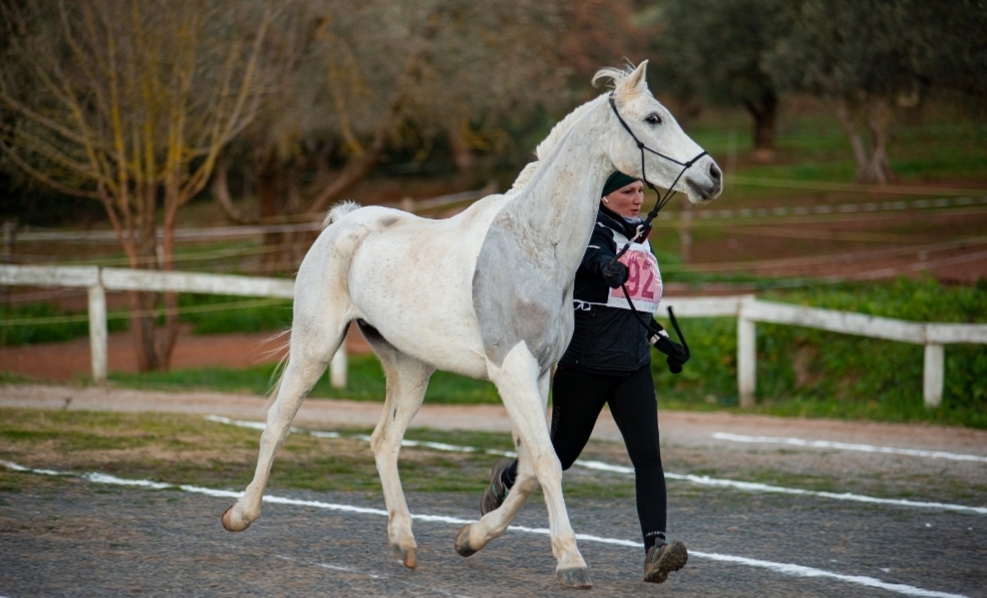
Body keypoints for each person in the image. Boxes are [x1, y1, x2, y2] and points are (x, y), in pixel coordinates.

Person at [480, 171, 690, 584]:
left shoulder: (640, 238)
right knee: (559, 458)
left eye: (640, 191)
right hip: (585, 368)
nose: (637, 198)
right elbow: (593, 259)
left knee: (648, 458)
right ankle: (507, 478)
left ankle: (655, 549)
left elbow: (635, 305)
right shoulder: (587, 231)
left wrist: (663, 341)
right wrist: (604, 267)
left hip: (632, 368)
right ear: (606, 197)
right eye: (627, 192)